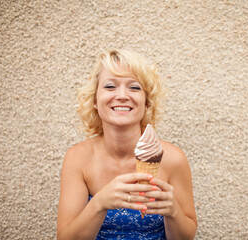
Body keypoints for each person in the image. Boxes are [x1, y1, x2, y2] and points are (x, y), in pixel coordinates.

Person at [57, 49, 197, 239]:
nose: (122, 95)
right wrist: (100, 203)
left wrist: (173, 212)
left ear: (146, 102)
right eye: (110, 86)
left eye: (134, 87)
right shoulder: (77, 159)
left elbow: (186, 237)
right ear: (95, 100)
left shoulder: (173, 158)